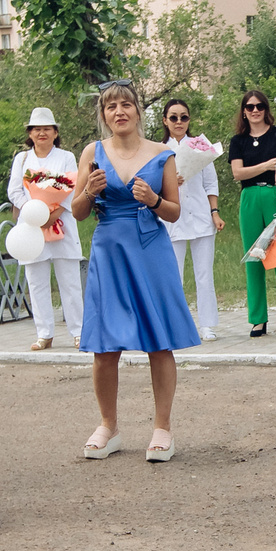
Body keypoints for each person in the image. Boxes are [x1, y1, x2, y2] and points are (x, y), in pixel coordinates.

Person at [70, 79, 200, 461]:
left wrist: (154, 199)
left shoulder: (162, 153)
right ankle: (108, 426)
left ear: (138, 110)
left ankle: (163, 429)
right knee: (104, 345)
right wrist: (90, 192)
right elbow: (77, 212)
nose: (119, 112)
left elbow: (174, 212)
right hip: (109, 251)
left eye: (126, 104)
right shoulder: (92, 152)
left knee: (159, 341)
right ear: (104, 114)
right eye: (111, 106)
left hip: (150, 251)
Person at [8, 108, 83, 350]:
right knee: (36, 281)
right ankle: (44, 333)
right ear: (30, 133)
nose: (42, 133)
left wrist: (54, 214)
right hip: (31, 227)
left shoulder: (66, 157)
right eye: (37, 129)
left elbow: (72, 187)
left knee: (69, 281)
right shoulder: (22, 159)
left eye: (47, 129)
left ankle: (78, 331)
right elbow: (14, 191)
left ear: (55, 133)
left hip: (61, 223)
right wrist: (33, 211)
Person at [230, 88, 276, 337]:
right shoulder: (238, 141)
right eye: (250, 107)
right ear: (244, 112)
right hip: (249, 198)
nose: (255, 110)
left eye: (259, 106)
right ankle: (258, 319)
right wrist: (266, 165)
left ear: (266, 109)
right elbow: (238, 173)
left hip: (275, 196)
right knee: (253, 257)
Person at [160, 97, 222, 340]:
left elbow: (210, 183)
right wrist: (168, 182)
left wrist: (214, 212)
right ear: (165, 120)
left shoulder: (200, 146)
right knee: (173, 274)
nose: (179, 122)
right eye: (173, 117)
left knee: (204, 274)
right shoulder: (158, 149)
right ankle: (175, 323)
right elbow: (149, 185)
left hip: (200, 215)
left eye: (183, 117)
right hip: (171, 218)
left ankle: (207, 324)